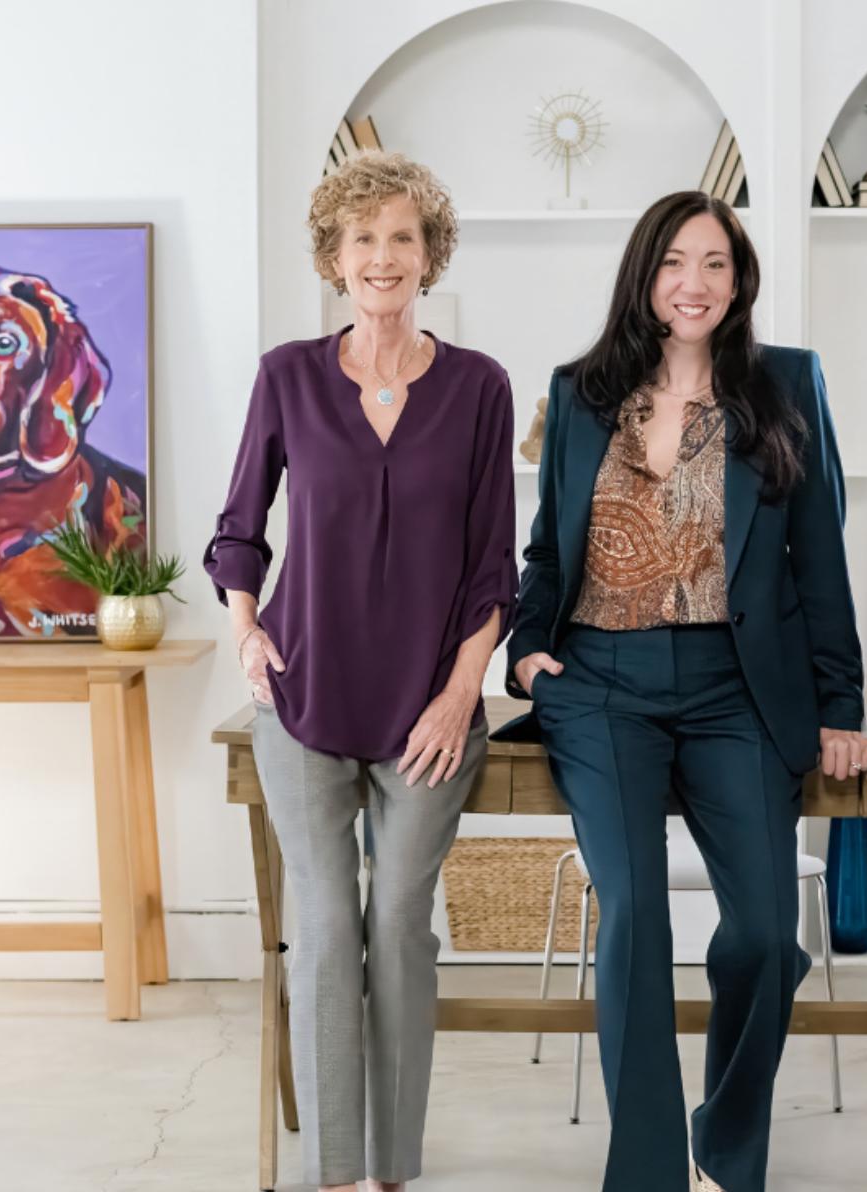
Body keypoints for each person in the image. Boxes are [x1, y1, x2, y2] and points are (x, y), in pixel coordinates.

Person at [494, 191, 867, 1192]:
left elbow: (820, 559)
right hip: (600, 684)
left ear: (738, 280)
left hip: (735, 688)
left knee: (764, 934)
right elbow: (548, 551)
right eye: (675, 261)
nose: (694, 283)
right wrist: (527, 648)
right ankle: (646, 1177)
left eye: (715, 263)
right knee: (633, 914)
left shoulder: (785, 384)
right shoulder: (580, 392)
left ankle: (723, 1148)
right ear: (645, 275)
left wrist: (839, 708)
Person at [204, 152, 517, 1192]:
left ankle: (392, 1168)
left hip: (431, 708)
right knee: (329, 930)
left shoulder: (477, 387)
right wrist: (246, 632)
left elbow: (493, 566)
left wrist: (461, 693)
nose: (383, 257)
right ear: (334, 260)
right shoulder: (287, 376)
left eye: (402, 237)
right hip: (303, 698)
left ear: (430, 255)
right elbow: (238, 528)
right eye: (363, 239)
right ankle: (337, 1173)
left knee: (399, 927)